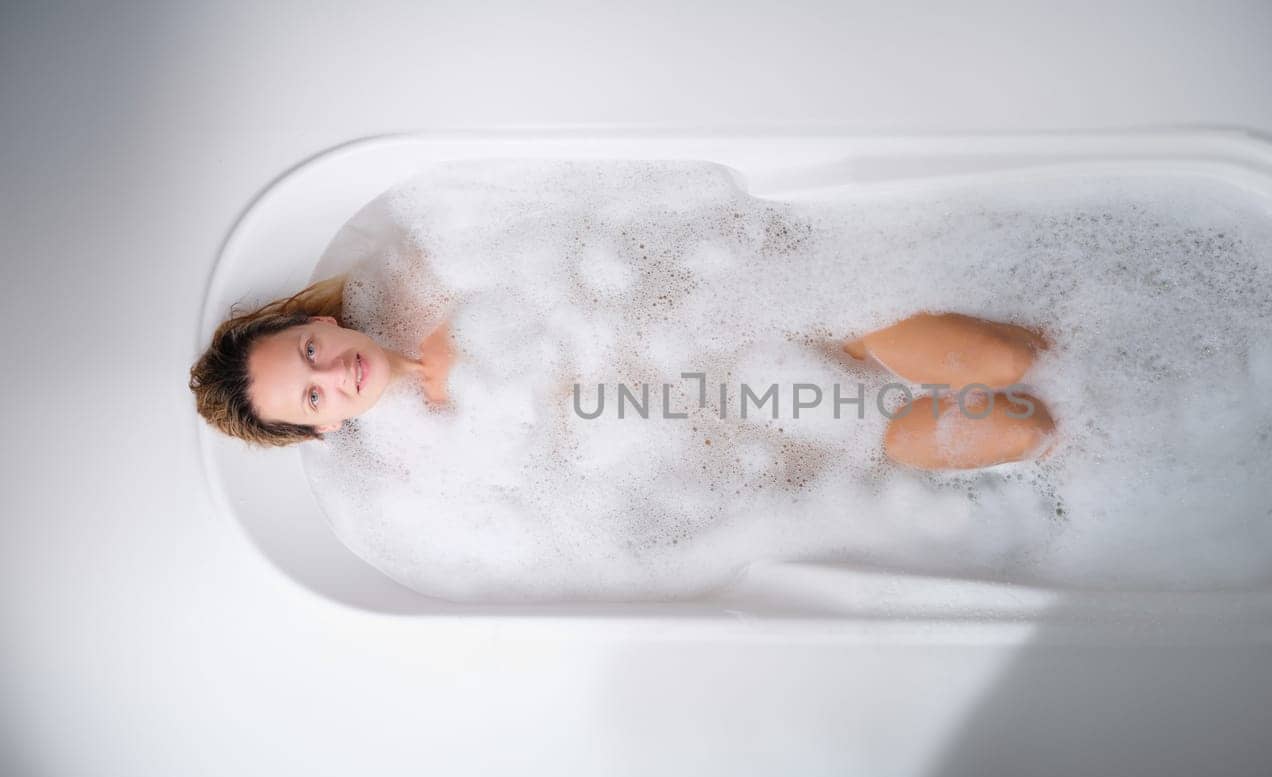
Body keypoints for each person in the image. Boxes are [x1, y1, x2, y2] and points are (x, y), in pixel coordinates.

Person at [190, 276, 1057, 469]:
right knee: (1031, 425)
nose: (333, 372)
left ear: (319, 321)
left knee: (1017, 361)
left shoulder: (430, 267)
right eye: (314, 395)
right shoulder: (437, 461)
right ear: (323, 427)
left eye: (309, 351)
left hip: (766, 313)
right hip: (756, 431)